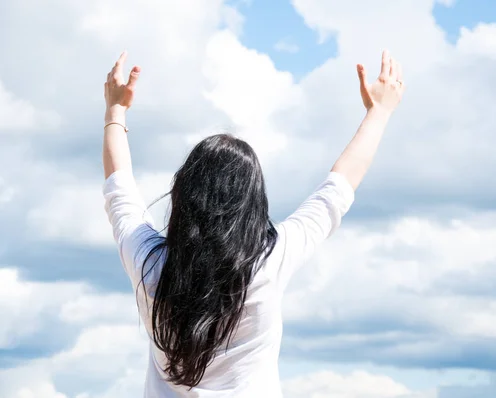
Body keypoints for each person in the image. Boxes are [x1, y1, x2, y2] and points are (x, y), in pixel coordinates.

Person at [102, 49, 404, 397]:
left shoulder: (150, 264)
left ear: (183, 193)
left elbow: (119, 190)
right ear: (253, 202)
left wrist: (115, 110)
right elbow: (337, 190)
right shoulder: (268, 261)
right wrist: (378, 113)